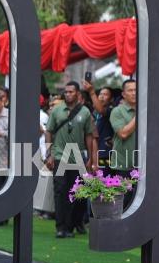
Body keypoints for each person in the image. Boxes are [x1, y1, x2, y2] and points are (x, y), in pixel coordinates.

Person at [45, 81, 94, 238]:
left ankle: (71, 225)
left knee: (75, 193)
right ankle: (60, 227)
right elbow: (49, 132)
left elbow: (89, 136)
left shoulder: (85, 112)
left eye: (71, 92)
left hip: (78, 156)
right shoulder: (57, 110)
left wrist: (91, 158)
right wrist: (49, 153)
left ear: (78, 93)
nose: (68, 94)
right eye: (66, 92)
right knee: (60, 191)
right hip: (60, 156)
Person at [109, 79, 138, 209]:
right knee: (123, 201)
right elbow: (123, 133)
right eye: (130, 90)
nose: (133, 93)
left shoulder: (147, 110)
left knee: (139, 203)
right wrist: (141, 114)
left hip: (143, 164)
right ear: (123, 94)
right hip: (123, 163)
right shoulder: (117, 111)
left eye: (136, 90)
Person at [82, 80, 114, 173]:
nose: (102, 96)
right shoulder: (93, 113)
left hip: (105, 154)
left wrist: (91, 92)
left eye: (106, 94)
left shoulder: (111, 111)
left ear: (111, 99)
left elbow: (101, 110)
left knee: (104, 180)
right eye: (100, 94)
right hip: (92, 153)